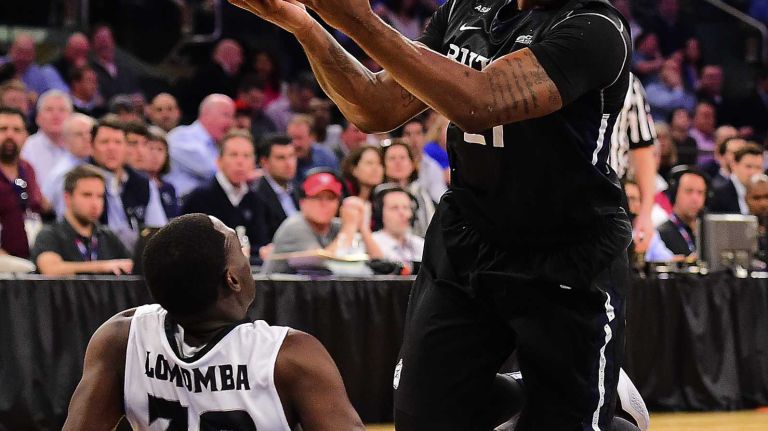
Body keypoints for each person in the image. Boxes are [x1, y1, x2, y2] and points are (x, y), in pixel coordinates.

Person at [229, 0, 635, 428]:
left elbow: (482, 101)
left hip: (567, 252)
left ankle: (595, 406)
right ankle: (529, 392)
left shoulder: (596, 27)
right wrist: (304, 25)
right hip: (470, 235)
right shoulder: (465, 9)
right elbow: (375, 107)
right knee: (423, 416)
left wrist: (357, 19)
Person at [61, 213, 365, 430]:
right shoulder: (290, 355)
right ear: (232, 279)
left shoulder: (121, 338)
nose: (246, 260)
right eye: (239, 250)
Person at [262, 169, 382, 274]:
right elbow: (323, 266)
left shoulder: (337, 226)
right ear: (302, 202)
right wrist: (349, 228)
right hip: (274, 296)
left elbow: (379, 264)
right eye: (317, 197)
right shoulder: (295, 226)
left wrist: (363, 228)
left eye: (330, 198)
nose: (324, 204)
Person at [181, 130, 269, 263]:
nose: (240, 162)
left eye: (247, 156)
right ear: (219, 161)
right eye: (233, 155)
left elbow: (260, 242)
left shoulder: (255, 199)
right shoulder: (200, 197)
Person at [31, 165, 132, 275]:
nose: (95, 203)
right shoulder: (50, 234)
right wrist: (103, 267)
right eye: (87, 195)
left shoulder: (108, 237)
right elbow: (50, 269)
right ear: (67, 198)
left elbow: (130, 266)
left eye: (100, 196)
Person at [88, 117, 168, 251]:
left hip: (139, 257)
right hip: (98, 257)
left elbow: (158, 232)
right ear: (91, 147)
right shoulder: (82, 181)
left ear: (126, 147)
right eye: (104, 142)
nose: (111, 148)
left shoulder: (143, 184)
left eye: (118, 142)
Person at [166, 94, 235, 197]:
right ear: (207, 114)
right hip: (180, 206)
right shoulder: (181, 136)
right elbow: (209, 169)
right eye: (226, 115)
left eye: (232, 117)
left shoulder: (217, 145)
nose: (230, 123)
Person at [0, 107, 46, 259]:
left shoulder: (28, 169)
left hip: (31, 257)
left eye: (16, 130)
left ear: (26, 136)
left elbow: (38, 206)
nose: (10, 135)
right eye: (3, 129)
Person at [645, 167, 708, 261]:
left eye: (700, 192)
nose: (695, 198)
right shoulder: (661, 234)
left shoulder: (707, 232)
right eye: (689, 191)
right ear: (675, 194)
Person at [42, 113, 95, 218]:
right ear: (65, 140)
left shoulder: (95, 163)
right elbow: (65, 216)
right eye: (79, 134)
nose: (87, 138)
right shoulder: (63, 173)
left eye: (90, 133)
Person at [381, 140, 434, 237]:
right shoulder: (379, 194)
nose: (398, 162)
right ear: (383, 165)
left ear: (412, 164)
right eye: (392, 158)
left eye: (403, 158)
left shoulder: (420, 192)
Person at [20, 89, 73, 186]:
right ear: (38, 118)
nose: (56, 115)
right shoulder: (26, 148)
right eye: (49, 109)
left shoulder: (78, 147)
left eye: (62, 110)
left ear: (71, 117)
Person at [254, 134, 300, 239]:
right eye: (281, 158)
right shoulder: (256, 196)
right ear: (264, 162)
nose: (289, 163)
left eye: (292, 156)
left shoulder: (299, 190)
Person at [371, 183, 424, 269]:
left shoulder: (422, 245)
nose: (402, 213)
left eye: (406, 207)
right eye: (394, 208)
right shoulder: (370, 243)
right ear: (380, 213)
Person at [710, 143, 765, 215]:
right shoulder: (718, 194)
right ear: (734, 165)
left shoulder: (765, 194)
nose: (753, 172)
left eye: (758, 167)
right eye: (748, 166)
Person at [287, 114, 339, 184]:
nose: (295, 143)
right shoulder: (284, 160)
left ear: (312, 137)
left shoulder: (326, 157)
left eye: (299, 138)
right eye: (291, 138)